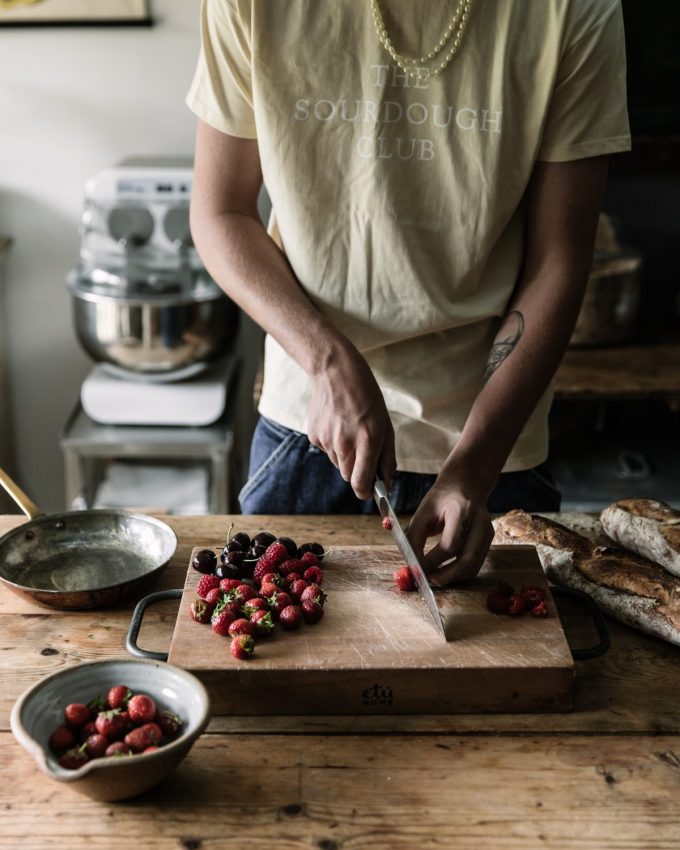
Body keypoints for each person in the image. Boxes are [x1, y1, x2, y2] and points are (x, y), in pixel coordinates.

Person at [186, 0, 630, 585]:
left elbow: (559, 260)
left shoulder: (574, 10)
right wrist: (327, 360)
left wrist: (474, 466)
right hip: (309, 430)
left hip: (492, 445)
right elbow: (219, 212)